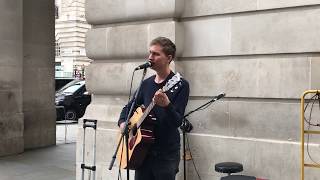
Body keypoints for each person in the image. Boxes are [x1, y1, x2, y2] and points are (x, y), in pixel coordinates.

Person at [118, 37, 190, 180]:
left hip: (165, 154)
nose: (150, 57)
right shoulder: (146, 84)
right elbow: (128, 107)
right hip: (142, 153)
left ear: (169, 58)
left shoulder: (180, 84)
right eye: (150, 53)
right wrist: (122, 122)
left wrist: (167, 105)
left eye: (156, 54)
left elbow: (177, 121)